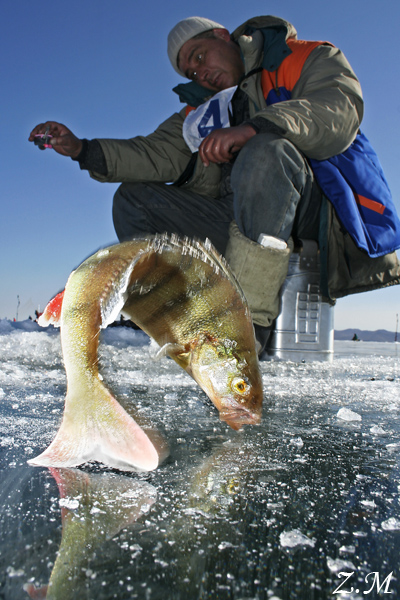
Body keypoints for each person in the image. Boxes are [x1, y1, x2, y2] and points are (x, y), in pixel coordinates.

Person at [29, 15, 400, 350]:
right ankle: (178, 321)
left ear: (223, 36)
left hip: (312, 212)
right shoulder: (199, 115)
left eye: (200, 56)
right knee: (133, 200)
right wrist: (80, 148)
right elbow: (152, 154)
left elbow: (337, 105)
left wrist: (254, 127)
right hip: (236, 221)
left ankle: (246, 331)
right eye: (190, 73)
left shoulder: (301, 57)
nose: (199, 74)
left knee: (264, 151)